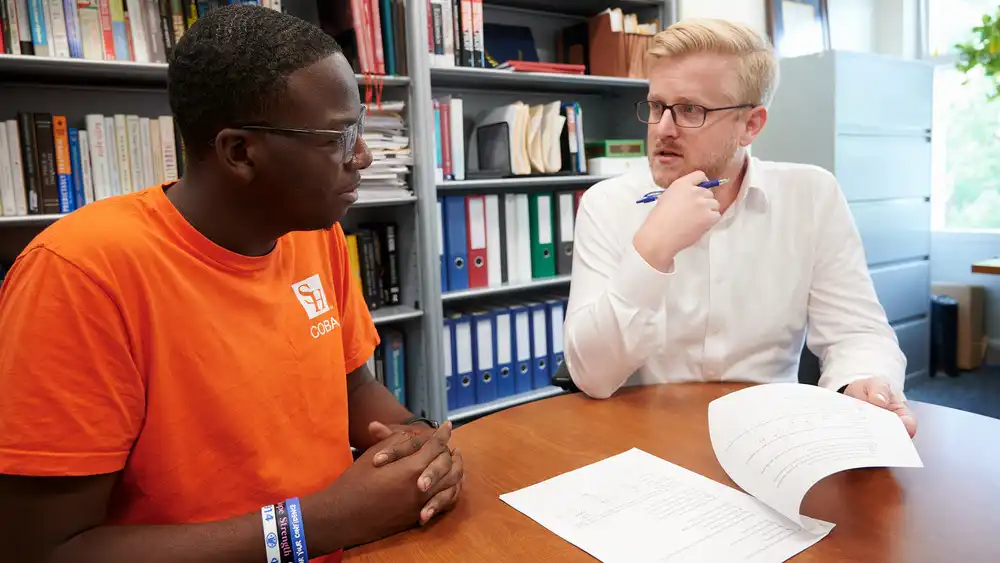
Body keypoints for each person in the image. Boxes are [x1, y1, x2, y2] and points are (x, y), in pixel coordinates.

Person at [0, 6, 462, 563]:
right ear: (240, 152)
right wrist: (321, 523)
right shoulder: (79, 275)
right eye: (339, 136)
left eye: (358, 127)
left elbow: (353, 388)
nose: (362, 156)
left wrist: (420, 445)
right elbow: (47, 550)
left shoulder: (313, 234)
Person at [564, 18, 917, 437]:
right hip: (644, 440)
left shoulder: (811, 195)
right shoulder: (607, 204)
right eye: (657, 106)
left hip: (769, 438)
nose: (662, 129)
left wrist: (864, 380)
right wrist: (652, 251)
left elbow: (856, 332)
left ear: (751, 125)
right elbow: (592, 376)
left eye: (690, 110)